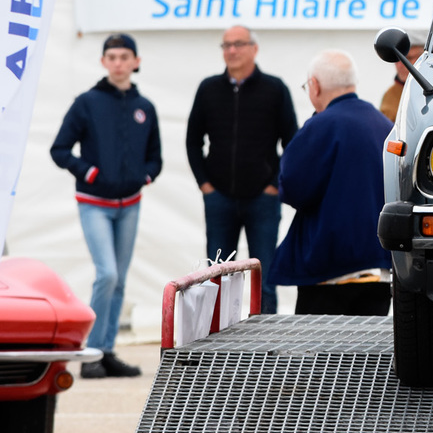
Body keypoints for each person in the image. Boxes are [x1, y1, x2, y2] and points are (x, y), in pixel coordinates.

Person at [50, 34, 162, 379]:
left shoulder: (145, 107)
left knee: (120, 281)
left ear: (136, 62)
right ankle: (91, 353)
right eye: (111, 57)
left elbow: (155, 157)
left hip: (130, 204)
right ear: (103, 62)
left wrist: (145, 177)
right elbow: (60, 150)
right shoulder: (86, 102)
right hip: (94, 203)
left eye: (124, 56)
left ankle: (107, 352)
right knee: (107, 274)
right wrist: (90, 172)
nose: (118, 63)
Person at [186, 26, 298, 314]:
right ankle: (219, 338)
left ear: (254, 48)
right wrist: (205, 185)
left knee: (265, 279)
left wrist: (274, 184)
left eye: (238, 44)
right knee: (216, 278)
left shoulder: (275, 89)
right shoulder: (208, 89)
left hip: (263, 199)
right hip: (219, 198)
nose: (232, 50)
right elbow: (193, 141)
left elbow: (292, 142)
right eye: (226, 45)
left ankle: (266, 339)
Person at [273, 50, 393, 315]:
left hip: (330, 268)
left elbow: (293, 188)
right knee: (368, 342)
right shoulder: (384, 125)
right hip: (380, 264)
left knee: (319, 342)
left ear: (314, 85)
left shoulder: (320, 126)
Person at [379, 33, 425, 120]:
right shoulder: (390, 96)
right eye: (397, 59)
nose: (400, 65)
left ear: (423, 59)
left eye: (408, 58)